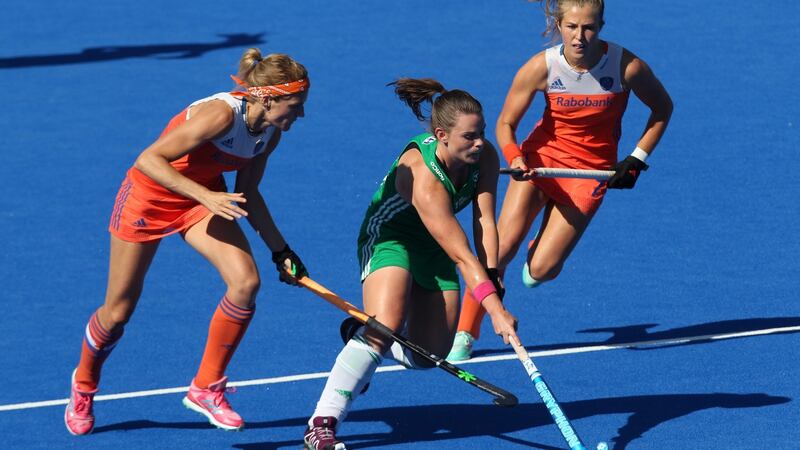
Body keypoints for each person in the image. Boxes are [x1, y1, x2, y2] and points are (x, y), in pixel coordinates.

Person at [64, 48, 311, 435]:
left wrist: (281, 250)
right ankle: (84, 384)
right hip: (149, 197)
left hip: (200, 199)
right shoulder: (221, 115)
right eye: (295, 106)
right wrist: (206, 196)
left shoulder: (269, 135)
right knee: (118, 312)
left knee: (246, 283)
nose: (299, 115)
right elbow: (148, 159)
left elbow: (251, 194)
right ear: (267, 97)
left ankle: (206, 388)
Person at [447, 0, 673, 361]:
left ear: (601, 25)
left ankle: (541, 245)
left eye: (589, 28)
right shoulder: (541, 67)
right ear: (559, 24)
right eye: (571, 27)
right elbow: (505, 124)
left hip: (589, 174)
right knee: (500, 250)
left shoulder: (626, 67)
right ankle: (466, 331)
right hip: (539, 162)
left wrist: (635, 158)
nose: (579, 36)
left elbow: (663, 108)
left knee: (542, 270)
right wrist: (515, 158)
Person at [302, 78, 520, 450]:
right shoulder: (423, 177)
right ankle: (322, 423)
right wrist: (494, 309)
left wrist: (494, 276)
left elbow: (484, 220)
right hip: (391, 237)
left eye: (481, 133)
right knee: (384, 323)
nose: (480, 142)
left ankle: (368, 345)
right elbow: (462, 255)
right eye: (470, 136)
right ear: (442, 135)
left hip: (435, 248)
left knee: (428, 357)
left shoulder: (483, 157)